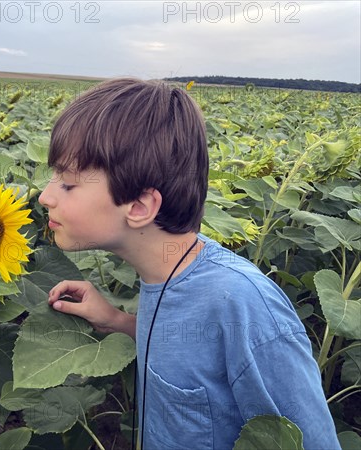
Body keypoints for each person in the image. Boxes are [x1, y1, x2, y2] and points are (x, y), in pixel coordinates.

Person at [37, 78, 341, 449]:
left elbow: (309, 442)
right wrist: (117, 321)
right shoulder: (162, 270)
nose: (45, 195)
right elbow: (192, 345)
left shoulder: (244, 306)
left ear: (138, 207)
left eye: (67, 183)